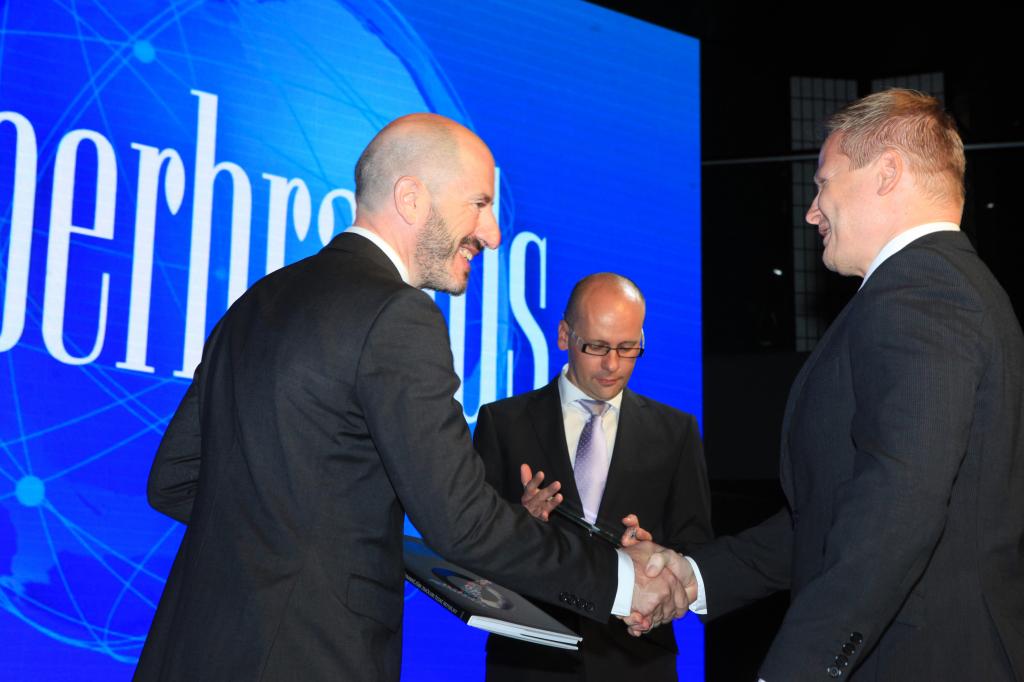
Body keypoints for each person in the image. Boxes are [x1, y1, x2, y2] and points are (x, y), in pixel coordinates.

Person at [134, 114, 688, 682]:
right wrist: (622, 580)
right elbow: (463, 522)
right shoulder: (398, 315)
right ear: (411, 198)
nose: (493, 233)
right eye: (479, 204)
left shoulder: (257, 300)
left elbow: (174, 481)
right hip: (309, 658)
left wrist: (307, 547)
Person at [652, 88, 1024, 680]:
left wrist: (796, 669)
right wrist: (695, 577)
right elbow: (833, 512)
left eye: (823, 182)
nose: (811, 211)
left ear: (887, 173)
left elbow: (896, 507)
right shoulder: (933, 288)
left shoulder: (921, 292)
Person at [474, 272, 714, 681]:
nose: (612, 364)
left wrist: (658, 554)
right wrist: (520, 524)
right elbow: (470, 550)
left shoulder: (676, 432)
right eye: (597, 346)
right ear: (564, 336)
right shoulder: (503, 423)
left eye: (628, 348)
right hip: (529, 662)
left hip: (637, 661)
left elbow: (697, 550)